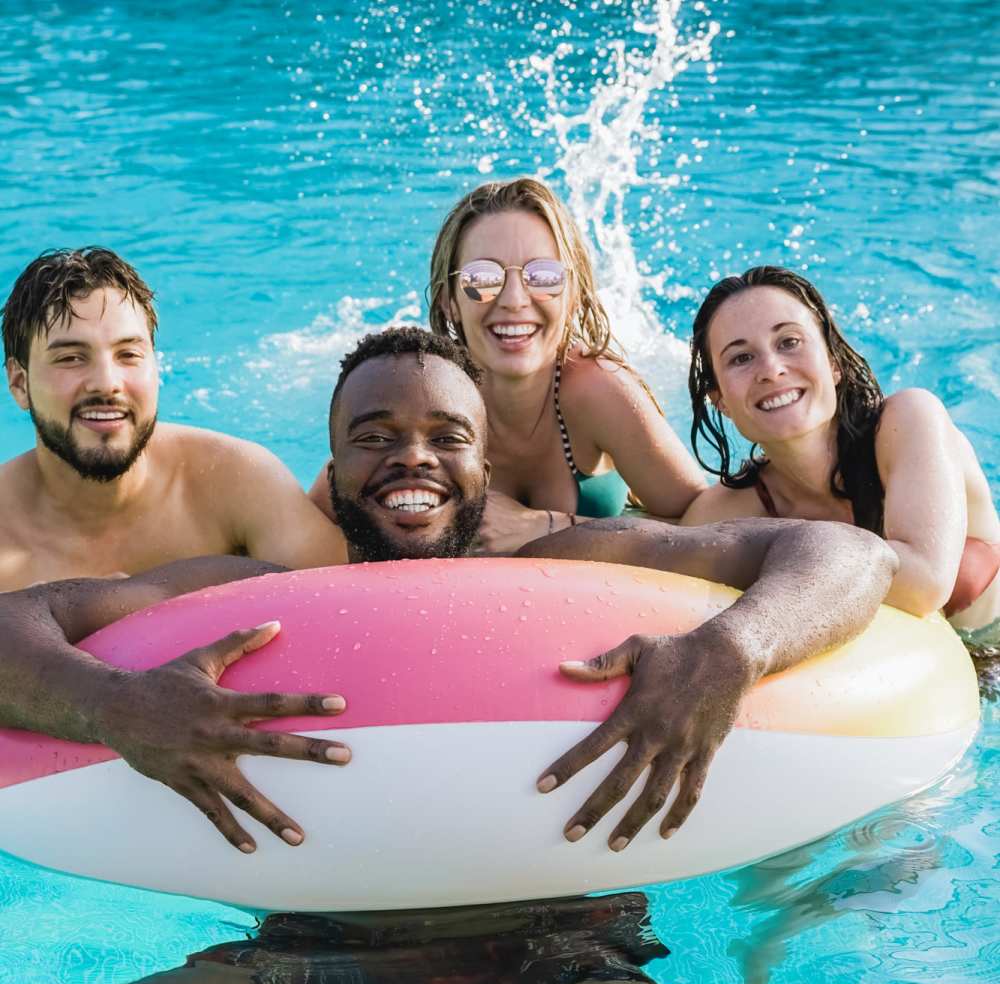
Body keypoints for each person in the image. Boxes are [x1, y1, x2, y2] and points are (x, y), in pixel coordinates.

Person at [0, 326, 896, 855]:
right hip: (308, 935)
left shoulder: (574, 568)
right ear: (335, 468)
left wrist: (730, 650)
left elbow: (842, 553)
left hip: (568, 934)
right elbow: (16, 619)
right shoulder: (260, 599)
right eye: (375, 435)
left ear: (485, 462)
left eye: (445, 435)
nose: (412, 456)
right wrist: (117, 705)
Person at [308, 177, 706, 550]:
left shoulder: (597, 390)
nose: (514, 299)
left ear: (574, 294)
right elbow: (320, 518)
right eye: (482, 278)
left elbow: (706, 524)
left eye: (544, 276)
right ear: (449, 299)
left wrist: (544, 527)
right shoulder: (426, 392)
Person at [681, 265, 1000, 658]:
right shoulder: (723, 513)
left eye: (789, 341)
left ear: (834, 362)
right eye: (741, 358)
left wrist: (766, 551)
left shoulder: (909, 423)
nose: (771, 369)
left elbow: (924, 584)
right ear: (722, 402)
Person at [0, 247, 346, 590]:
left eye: (128, 355)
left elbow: (349, 603)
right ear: (19, 383)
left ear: (156, 369)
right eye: (71, 358)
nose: (107, 383)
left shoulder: (235, 480)